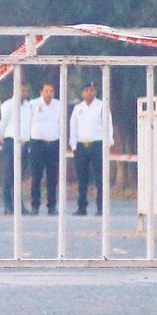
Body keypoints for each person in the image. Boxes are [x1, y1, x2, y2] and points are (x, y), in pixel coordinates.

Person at [20, 81, 62, 214]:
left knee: (52, 176)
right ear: (41, 92)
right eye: (46, 91)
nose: (49, 94)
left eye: (51, 91)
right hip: (37, 144)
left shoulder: (59, 105)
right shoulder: (33, 105)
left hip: (53, 143)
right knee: (36, 176)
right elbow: (27, 123)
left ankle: (52, 206)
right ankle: (35, 205)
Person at [67, 82, 107, 215]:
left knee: (100, 178)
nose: (89, 92)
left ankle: (101, 207)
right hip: (81, 146)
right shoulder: (78, 108)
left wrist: (108, 143)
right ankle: (82, 207)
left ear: (95, 92)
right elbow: (73, 127)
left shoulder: (102, 106)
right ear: (83, 92)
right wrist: (73, 145)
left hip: (97, 145)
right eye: (86, 90)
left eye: (91, 90)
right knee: (82, 179)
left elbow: (108, 125)